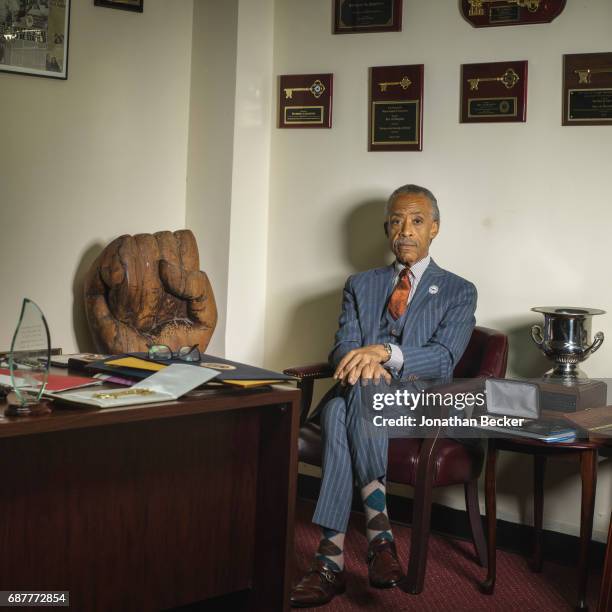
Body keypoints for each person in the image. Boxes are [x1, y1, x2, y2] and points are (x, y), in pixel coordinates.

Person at [290, 184, 477, 608]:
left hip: (416, 409)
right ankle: (374, 540)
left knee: (344, 405)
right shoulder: (361, 284)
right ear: (386, 229)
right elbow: (342, 346)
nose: (405, 230)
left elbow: (444, 359)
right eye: (396, 221)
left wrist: (386, 354)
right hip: (361, 398)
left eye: (415, 221)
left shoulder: (459, 290)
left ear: (434, 229)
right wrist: (362, 361)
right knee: (343, 407)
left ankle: (330, 562)